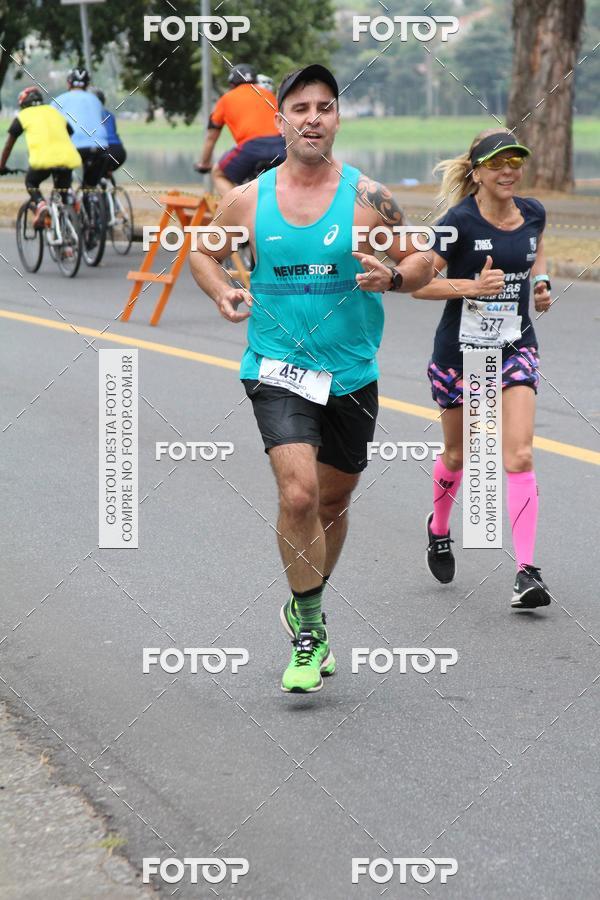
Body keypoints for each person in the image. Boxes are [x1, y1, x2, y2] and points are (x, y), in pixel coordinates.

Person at [190, 64, 433, 692]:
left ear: (337, 119)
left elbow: (425, 257)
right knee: (298, 496)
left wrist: (396, 277)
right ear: (281, 121)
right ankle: (311, 626)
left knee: (332, 501)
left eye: (325, 107)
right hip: (276, 367)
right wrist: (221, 290)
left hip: (351, 371)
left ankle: (304, 601)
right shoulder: (249, 197)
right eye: (301, 108)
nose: (313, 118)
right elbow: (200, 249)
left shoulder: (369, 197)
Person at [412, 129, 553, 610]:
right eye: (497, 163)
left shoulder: (533, 212)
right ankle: (438, 528)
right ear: (476, 172)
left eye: (515, 160)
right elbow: (420, 285)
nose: (509, 169)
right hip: (461, 354)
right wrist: (470, 286)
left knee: (519, 455)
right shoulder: (458, 222)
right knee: (458, 455)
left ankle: (526, 572)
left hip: (515, 347)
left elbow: (535, 252)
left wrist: (542, 285)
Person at [194, 63, 286, 195]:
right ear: (255, 80)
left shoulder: (226, 99)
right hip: (282, 145)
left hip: (251, 147)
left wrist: (204, 163)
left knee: (219, 174)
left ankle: (238, 211)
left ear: (232, 84)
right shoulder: (269, 95)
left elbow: (211, 138)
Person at [0, 86, 81, 228]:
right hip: (67, 159)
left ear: (23, 104)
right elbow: (69, 131)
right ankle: (69, 243)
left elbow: (8, 145)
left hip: (43, 161)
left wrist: (1, 166)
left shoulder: (23, 116)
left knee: (31, 182)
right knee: (62, 196)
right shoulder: (54, 112)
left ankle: (41, 204)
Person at [52, 68, 108, 189]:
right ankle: (91, 200)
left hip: (72, 145)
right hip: (100, 146)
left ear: (68, 83)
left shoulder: (59, 100)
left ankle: (66, 199)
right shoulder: (96, 100)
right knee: (89, 187)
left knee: (62, 184)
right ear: (87, 85)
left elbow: (50, 125)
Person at [90, 87, 127, 176]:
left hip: (105, 150)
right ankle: (107, 183)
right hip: (119, 151)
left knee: (90, 169)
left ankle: (94, 186)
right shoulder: (110, 115)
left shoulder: (90, 116)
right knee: (103, 171)